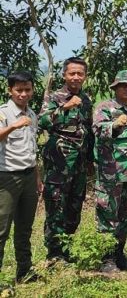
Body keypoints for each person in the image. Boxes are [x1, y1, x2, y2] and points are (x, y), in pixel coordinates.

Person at [92, 70, 127, 273]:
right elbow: (97, 131)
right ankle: (106, 259)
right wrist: (113, 125)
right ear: (115, 87)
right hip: (110, 172)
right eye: (123, 85)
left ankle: (119, 254)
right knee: (108, 213)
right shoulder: (105, 107)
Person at [38, 56, 93, 262]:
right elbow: (43, 121)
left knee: (74, 207)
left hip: (79, 162)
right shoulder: (54, 97)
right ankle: (54, 254)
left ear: (85, 76)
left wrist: (89, 161)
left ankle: (66, 250)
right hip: (59, 161)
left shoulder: (86, 99)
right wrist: (66, 107)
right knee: (56, 206)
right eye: (72, 73)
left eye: (80, 74)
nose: (76, 77)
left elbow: (89, 131)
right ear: (64, 75)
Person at [0, 71, 41, 282]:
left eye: (27, 90)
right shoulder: (4, 113)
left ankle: (25, 272)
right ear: (10, 90)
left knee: (24, 228)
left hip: (28, 177)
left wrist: (37, 178)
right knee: (2, 230)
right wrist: (13, 126)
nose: (23, 94)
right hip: (7, 178)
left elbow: (31, 150)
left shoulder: (32, 114)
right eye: (19, 90)